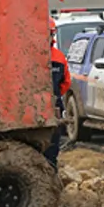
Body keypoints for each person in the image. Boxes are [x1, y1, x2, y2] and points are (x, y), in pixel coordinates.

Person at [47, 17, 72, 169]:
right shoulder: (59, 57)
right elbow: (65, 83)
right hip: (54, 104)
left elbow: (66, 82)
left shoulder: (27, 56)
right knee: (52, 144)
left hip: (39, 106)